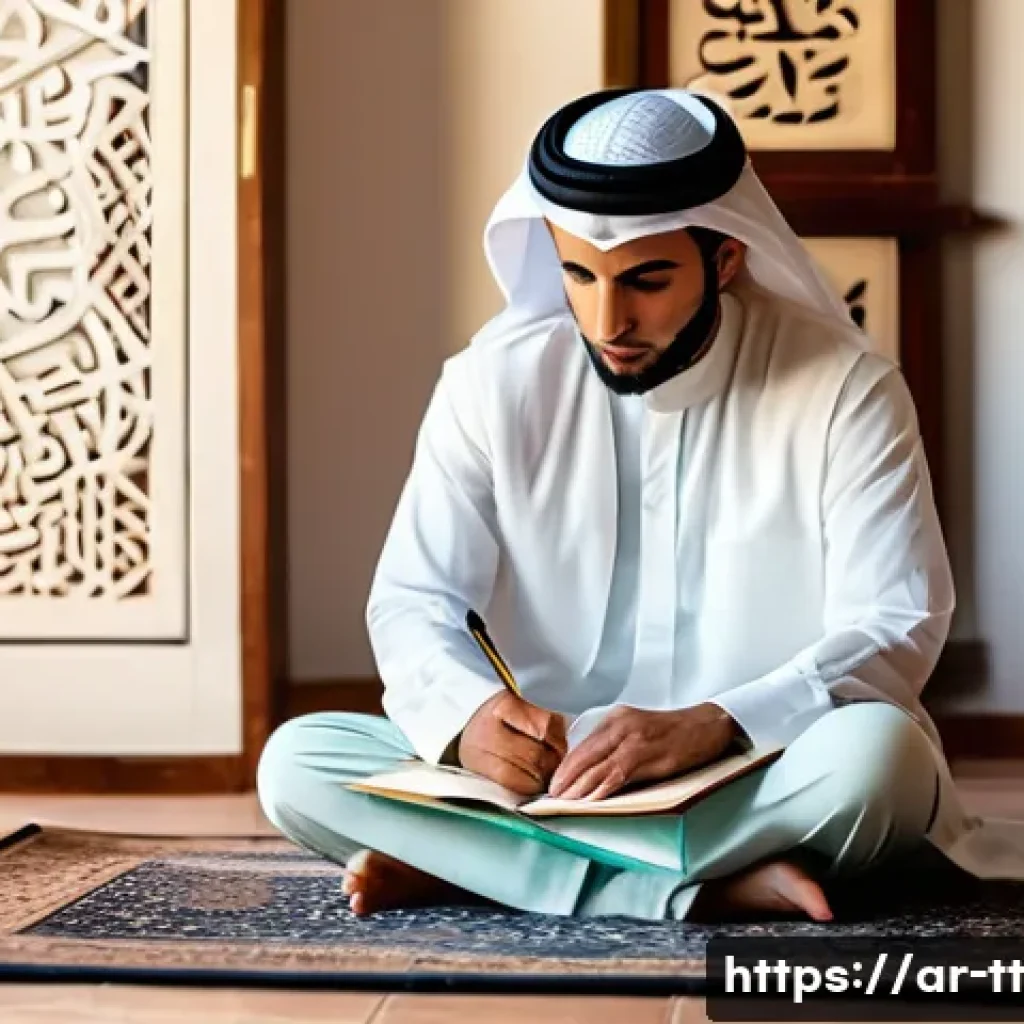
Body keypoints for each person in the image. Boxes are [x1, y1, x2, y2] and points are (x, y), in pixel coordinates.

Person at [258, 88, 1021, 923]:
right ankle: (711, 888)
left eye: (647, 281)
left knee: (880, 765)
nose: (607, 319)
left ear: (726, 258)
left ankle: (485, 869)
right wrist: (469, 715)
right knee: (296, 762)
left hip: (757, 763)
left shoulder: (847, 391)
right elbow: (414, 600)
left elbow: (896, 619)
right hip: (548, 777)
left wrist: (717, 721)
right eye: (578, 274)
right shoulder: (490, 385)